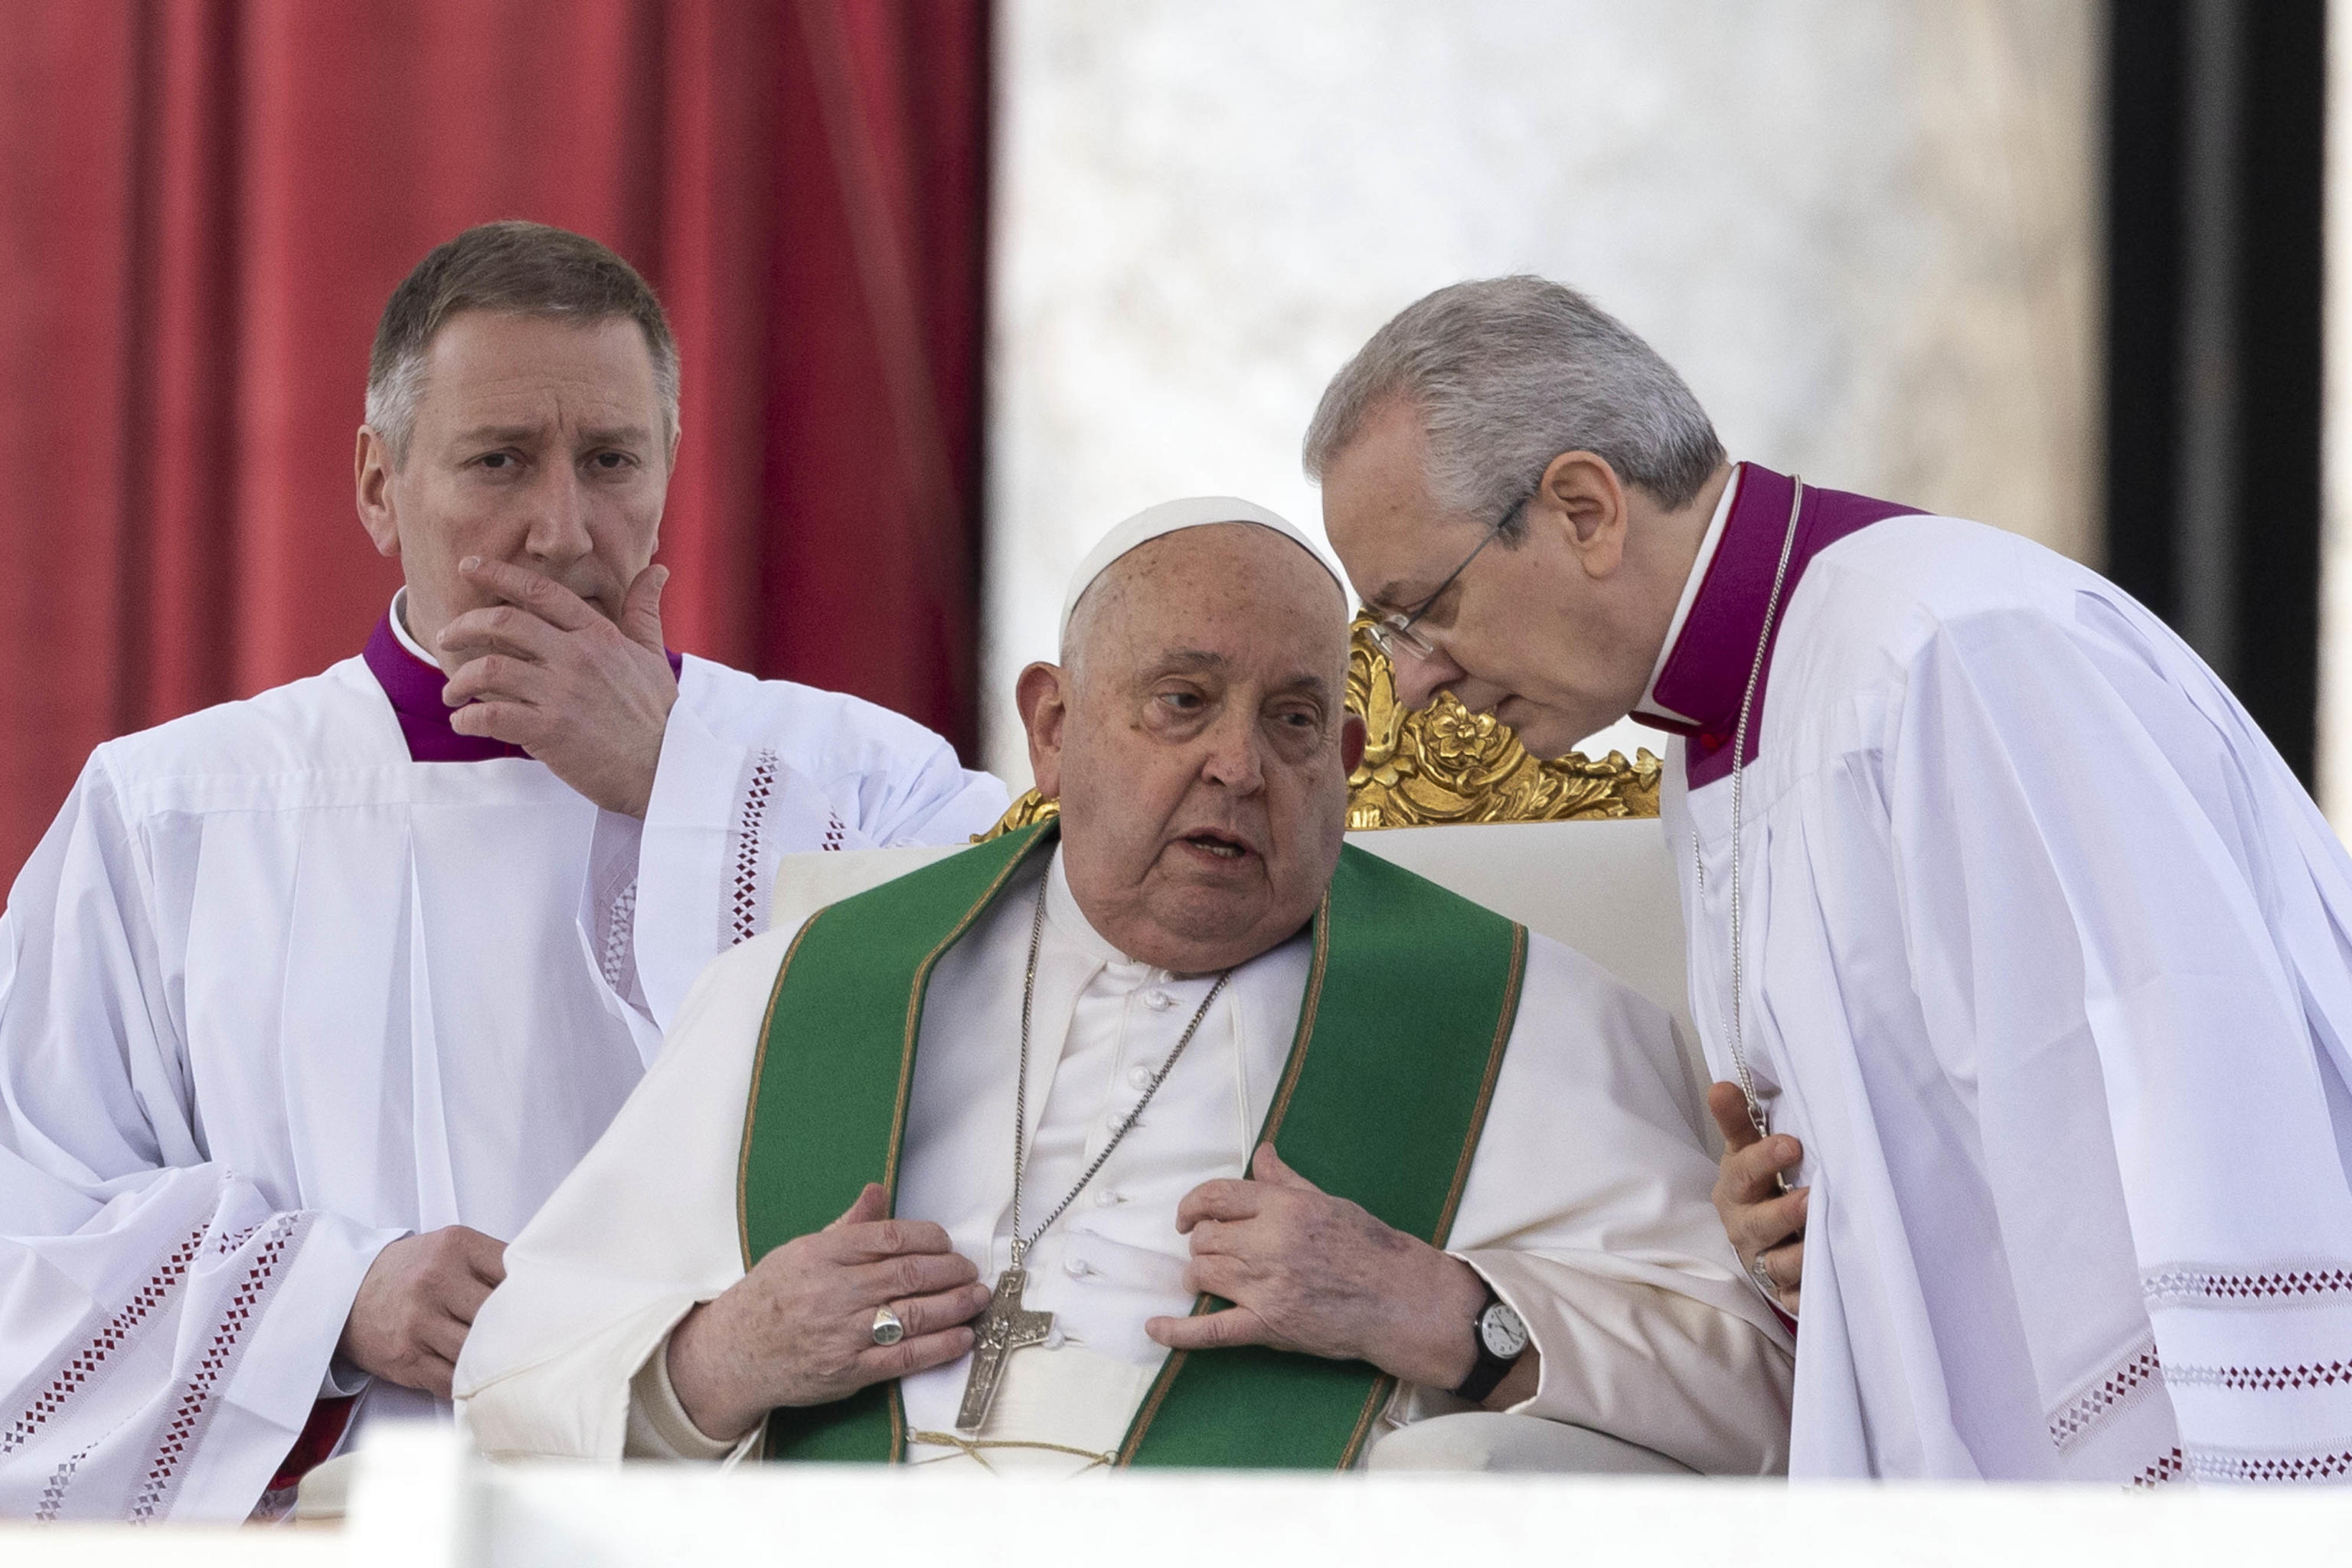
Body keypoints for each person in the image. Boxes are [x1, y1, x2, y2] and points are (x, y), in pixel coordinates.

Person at [455, 499, 1795, 1477]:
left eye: (1289, 723)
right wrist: (723, 1358)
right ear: (1051, 729)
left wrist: (1452, 1315)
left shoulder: (1518, 1014)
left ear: (1340, 757)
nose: (1237, 768)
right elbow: (509, 1381)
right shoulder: (813, 986)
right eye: (1181, 702)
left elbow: (1769, 1396)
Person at [0, 221, 1004, 1522]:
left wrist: (679, 787)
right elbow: (32, 1212)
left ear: (670, 468)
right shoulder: (171, 814)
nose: (562, 529)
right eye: (498, 463)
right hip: (344, 1517)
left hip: (742, 1513)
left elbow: (1004, 1081)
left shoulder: (868, 777)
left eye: (610, 461)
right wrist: (328, 1302)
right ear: (377, 483)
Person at [1305, 274, 2352, 1484]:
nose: (1416, 681)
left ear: (1585, 509)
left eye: (1419, 612)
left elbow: (2175, 1100)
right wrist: (1799, 1238)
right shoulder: (1727, 728)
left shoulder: (1951, 651)